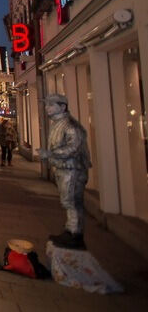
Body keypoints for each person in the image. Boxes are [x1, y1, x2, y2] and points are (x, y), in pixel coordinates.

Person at [37, 94, 92, 250]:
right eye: (47, 105)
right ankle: (70, 230)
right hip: (64, 167)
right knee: (68, 201)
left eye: (51, 105)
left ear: (62, 107)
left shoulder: (70, 125)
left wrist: (50, 154)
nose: (47, 108)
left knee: (73, 202)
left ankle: (76, 234)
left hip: (72, 168)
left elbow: (73, 147)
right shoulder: (58, 123)